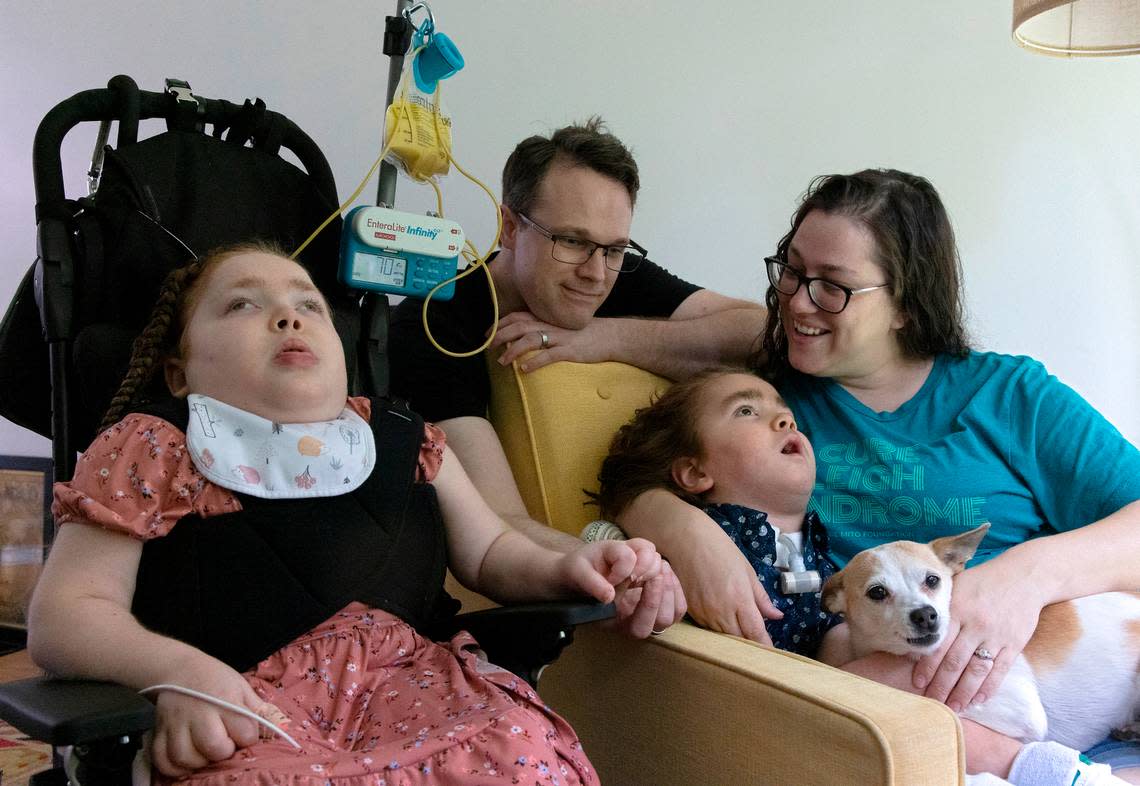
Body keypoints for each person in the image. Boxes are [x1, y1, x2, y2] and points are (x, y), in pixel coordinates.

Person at [27, 244, 670, 786]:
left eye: (309, 304)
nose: (288, 316)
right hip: (242, 708)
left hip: (418, 694)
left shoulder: (403, 438)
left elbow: (493, 553)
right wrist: (177, 675)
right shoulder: (152, 446)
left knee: (518, 746)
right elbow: (66, 613)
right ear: (178, 371)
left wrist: (571, 564)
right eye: (242, 304)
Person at [617, 169, 1140, 783]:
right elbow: (635, 468)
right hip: (888, 712)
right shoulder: (772, 415)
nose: (797, 300)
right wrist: (676, 523)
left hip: (1052, 672)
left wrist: (1023, 578)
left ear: (907, 305)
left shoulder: (1012, 395)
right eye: (791, 270)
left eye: (833, 286)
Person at [387, 119, 761, 619]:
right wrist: (627, 569)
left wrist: (602, 337)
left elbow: (758, 329)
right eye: (571, 241)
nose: (594, 274)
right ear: (511, 227)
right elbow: (499, 518)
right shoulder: (437, 322)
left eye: (614, 248)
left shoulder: (611, 273)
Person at [592, 367, 843, 657]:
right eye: (747, 411)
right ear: (695, 472)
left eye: (789, 416)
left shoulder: (819, 551)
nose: (786, 421)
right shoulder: (700, 543)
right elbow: (604, 547)